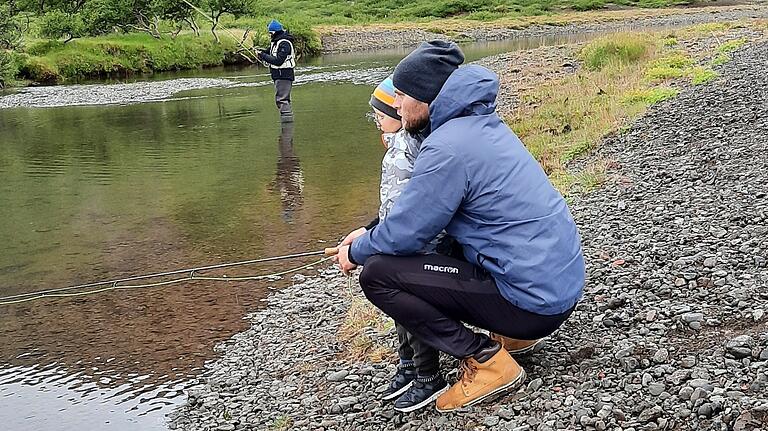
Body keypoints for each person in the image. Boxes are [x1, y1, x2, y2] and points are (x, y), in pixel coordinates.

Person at [334, 40, 585, 412]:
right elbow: (421, 210)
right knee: (415, 251)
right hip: (556, 288)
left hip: (533, 304)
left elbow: (405, 234)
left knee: (378, 273)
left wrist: (355, 251)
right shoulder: (478, 126)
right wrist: (370, 230)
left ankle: (487, 361)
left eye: (402, 95)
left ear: (425, 97)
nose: (397, 106)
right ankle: (511, 338)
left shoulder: (446, 147)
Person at [367, 75, 447, 412]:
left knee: (407, 300)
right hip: (399, 238)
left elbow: (412, 202)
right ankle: (409, 362)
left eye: (380, 115)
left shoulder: (413, 141)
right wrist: (373, 229)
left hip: (420, 245)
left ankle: (429, 374)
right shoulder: (396, 144)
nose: (376, 122)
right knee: (395, 307)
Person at [258, 19, 296, 123]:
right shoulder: (276, 42)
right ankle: (287, 131)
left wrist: (263, 56)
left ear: (274, 32)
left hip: (284, 75)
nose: (270, 35)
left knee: (282, 100)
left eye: (270, 33)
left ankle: (287, 127)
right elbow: (269, 52)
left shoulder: (285, 43)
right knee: (283, 99)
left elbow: (278, 61)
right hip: (278, 75)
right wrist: (261, 53)